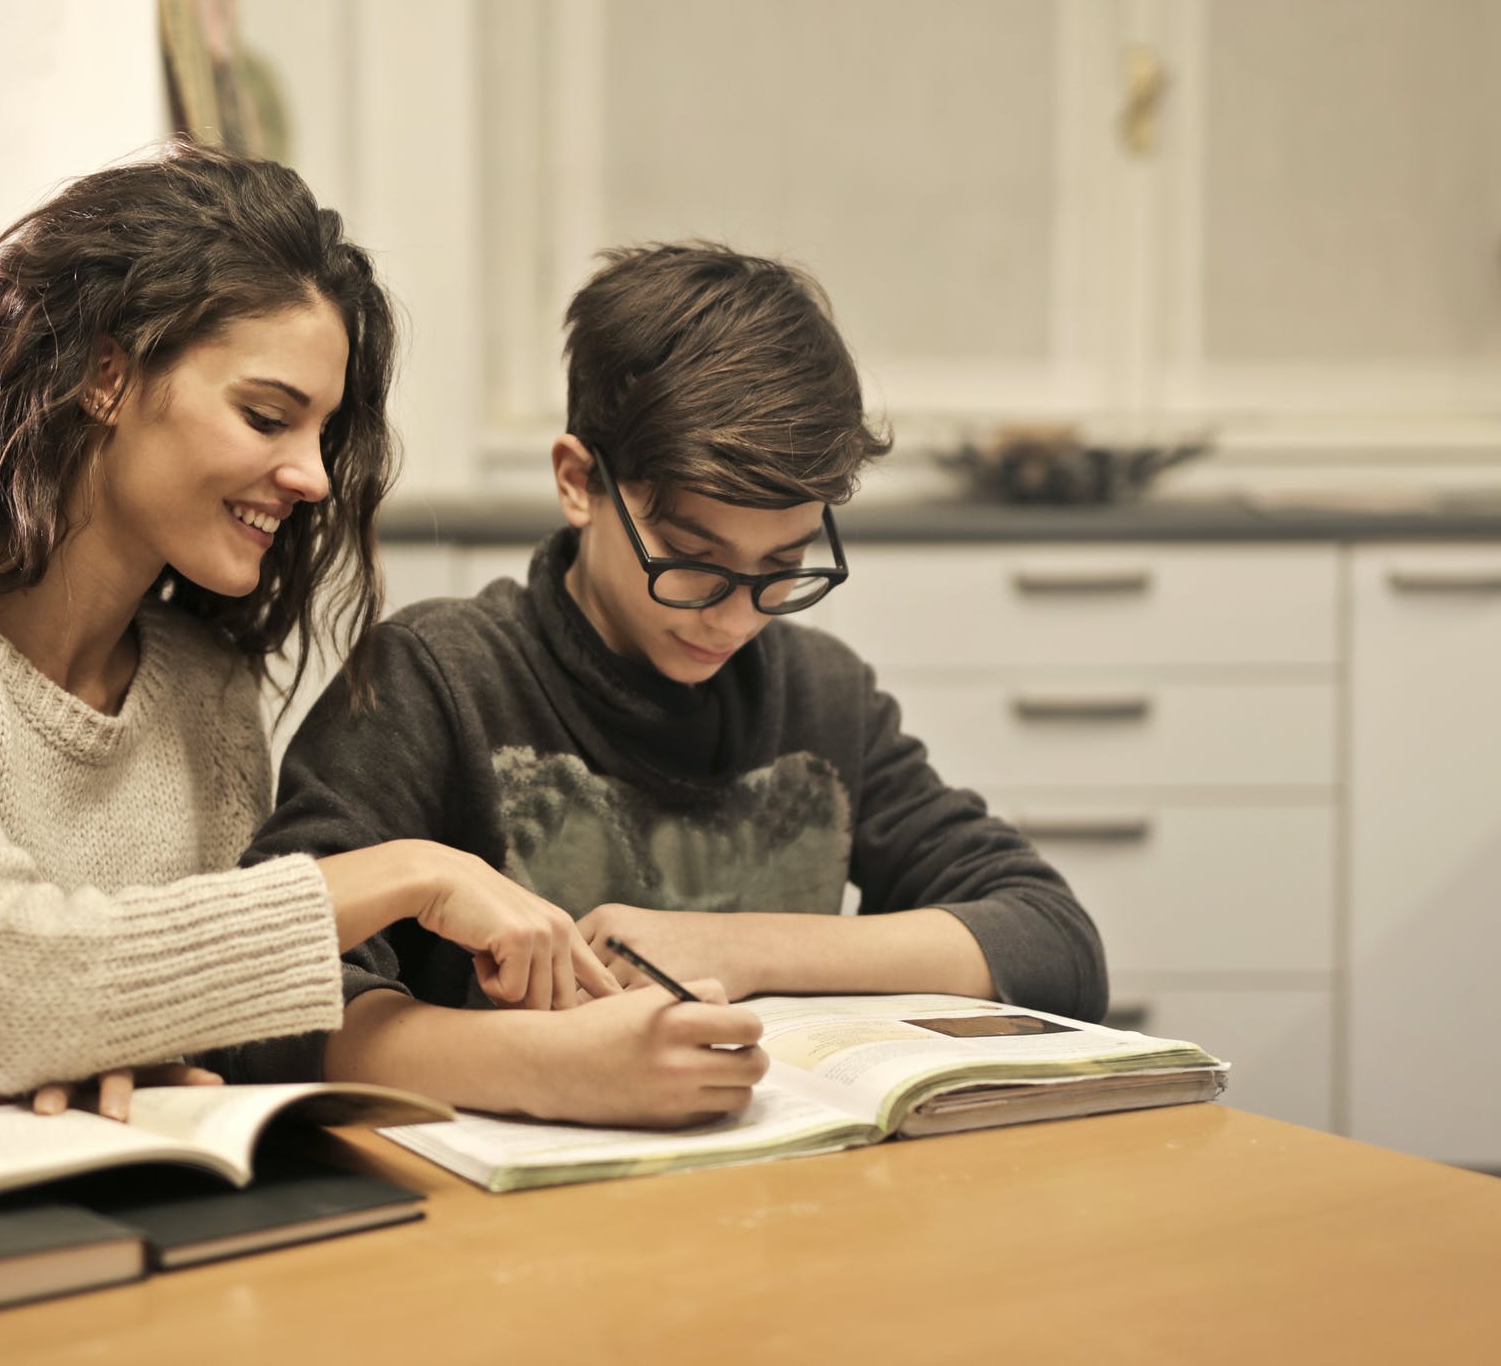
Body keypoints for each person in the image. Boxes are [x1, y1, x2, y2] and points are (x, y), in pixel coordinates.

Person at [0, 144, 613, 1182]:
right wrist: (408, 872)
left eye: (325, 433)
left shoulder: (203, 688)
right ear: (107, 373)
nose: (312, 477)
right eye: (269, 416)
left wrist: (128, 1065)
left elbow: (153, 1029)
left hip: (59, 1241)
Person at [246, 242, 1107, 1127]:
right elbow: (259, 999)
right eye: (692, 565)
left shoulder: (821, 694)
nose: (734, 620)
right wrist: (544, 1066)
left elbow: (1051, 941)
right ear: (579, 482)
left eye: (782, 566)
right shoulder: (434, 682)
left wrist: (738, 947)